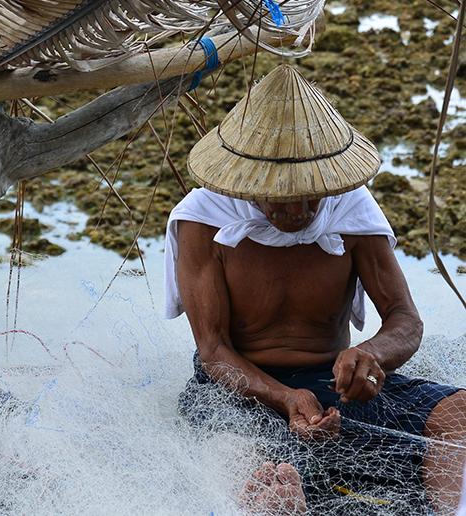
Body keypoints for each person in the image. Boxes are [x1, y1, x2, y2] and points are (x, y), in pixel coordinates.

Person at [165, 65, 466, 514]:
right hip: (237, 388)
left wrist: (372, 356)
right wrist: (286, 398)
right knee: (266, 481)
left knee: (458, 416)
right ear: (250, 183)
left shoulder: (351, 206)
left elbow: (405, 319)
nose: (302, 210)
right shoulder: (203, 219)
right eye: (284, 197)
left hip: (334, 384)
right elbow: (213, 351)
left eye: (313, 195)